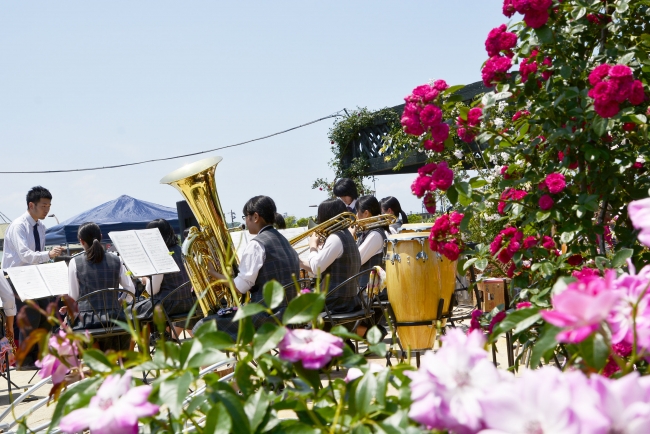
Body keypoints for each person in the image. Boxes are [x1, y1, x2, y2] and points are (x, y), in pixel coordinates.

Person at [193, 196, 300, 338]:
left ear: (255, 217)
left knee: (201, 327)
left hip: (264, 318)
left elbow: (239, 287)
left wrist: (213, 274)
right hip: (289, 316)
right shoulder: (284, 241)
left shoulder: (257, 245)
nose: (245, 221)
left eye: (245, 217)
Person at [2, 186, 63, 369]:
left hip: (34, 276)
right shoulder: (19, 225)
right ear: (31, 205)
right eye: (44, 205)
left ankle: (38, 356)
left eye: (49, 205)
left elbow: (36, 255)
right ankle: (25, 360)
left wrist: (46, 259)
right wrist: (48, 255)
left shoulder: (41, 227)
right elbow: (24, 255)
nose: (47, 209)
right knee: (31, 316)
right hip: (16, 277)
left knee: (47, 314)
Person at [67, 222, 135, 350]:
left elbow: (74, 297)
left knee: (69, 327)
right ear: (101, 236)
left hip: (88, 321)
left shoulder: (74, 262)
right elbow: (130, 289)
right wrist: (120, 301)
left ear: (81, 241)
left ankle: (97, 361)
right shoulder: (116, 260)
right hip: (115, 318)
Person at [300, 198, 361, 315]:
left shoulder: (335, 238)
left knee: (293, 305)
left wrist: (312, 246)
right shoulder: (346, 235)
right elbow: (321, 266)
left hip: (335, 302)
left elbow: (316, 268)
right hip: (349, 299)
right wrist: (299, 261)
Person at [133, 219, 194, 319]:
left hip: (169, 305)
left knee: (131, 311)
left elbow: (152, 291)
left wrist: (144, 278)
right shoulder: (181, 249)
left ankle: (150, 334)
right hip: (189, 301)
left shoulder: (160, 254)